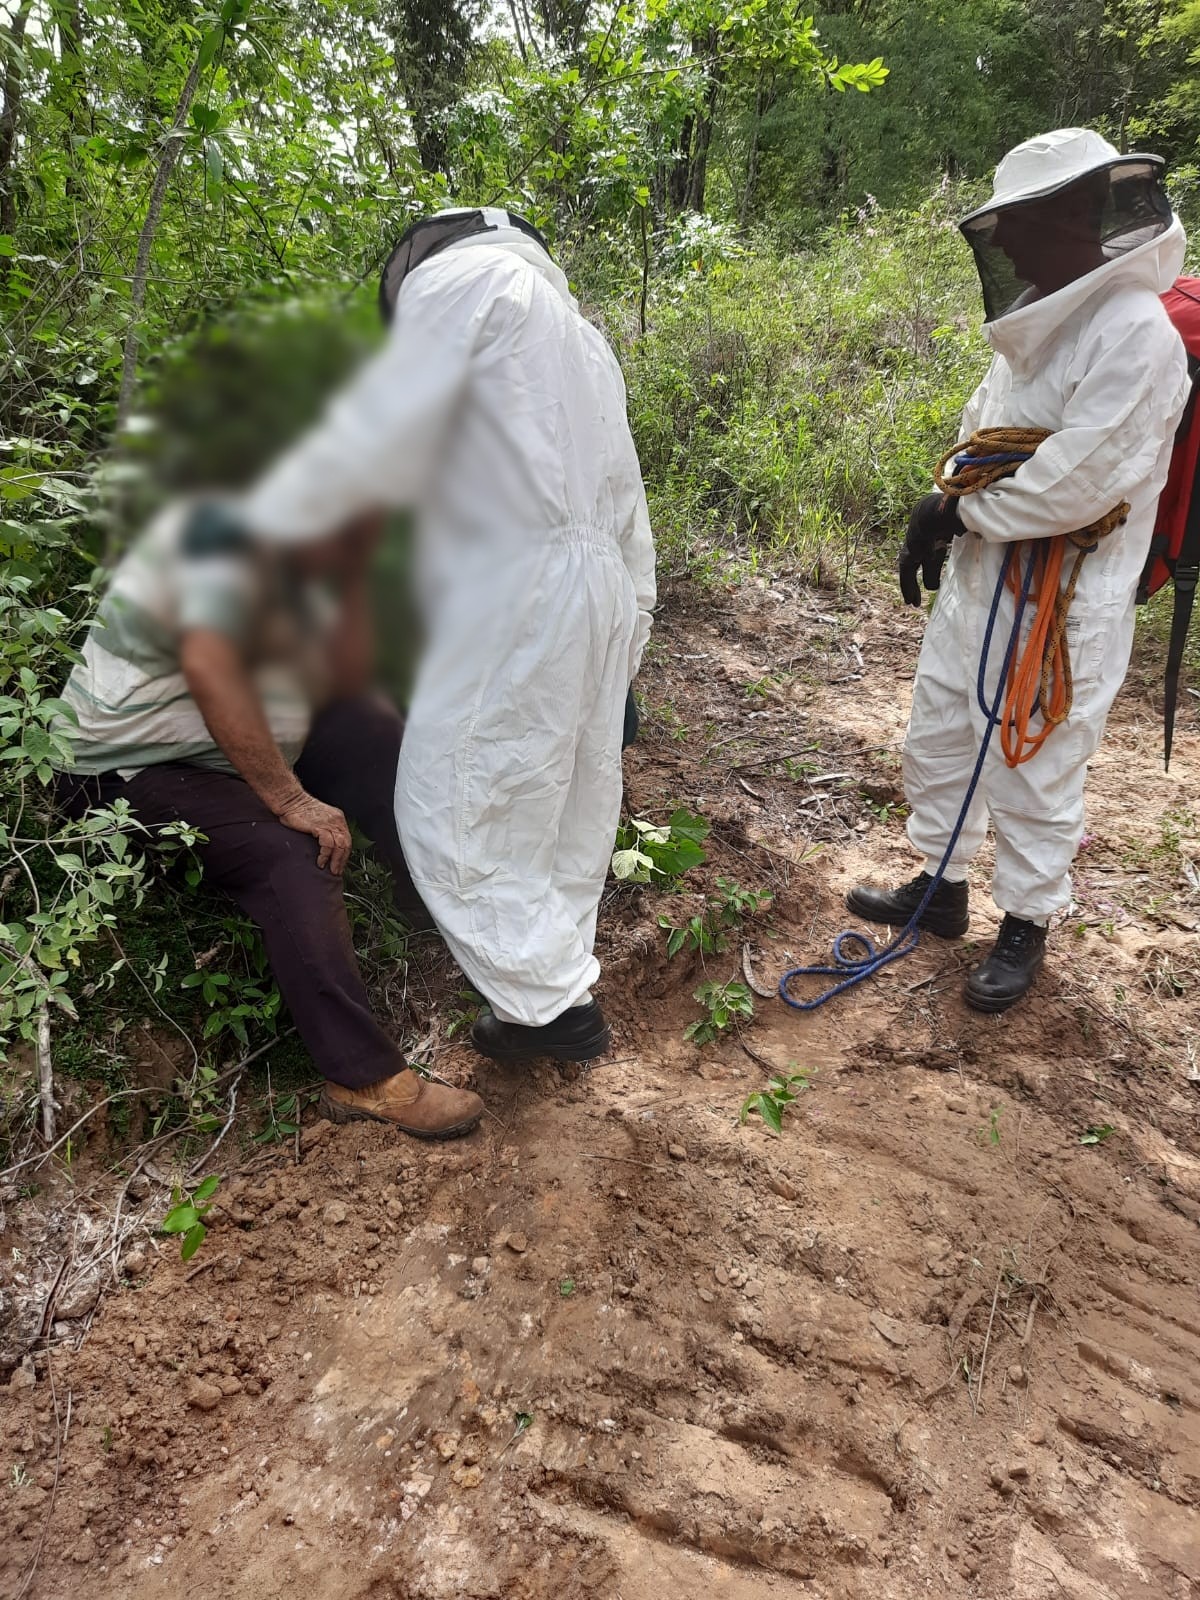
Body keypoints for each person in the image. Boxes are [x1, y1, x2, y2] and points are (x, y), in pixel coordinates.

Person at [223, 208, 656, 1061]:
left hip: (514, 580)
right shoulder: (582, 338)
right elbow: (626, 512)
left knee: (448, 799)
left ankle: (549, 1007)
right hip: (597, 584)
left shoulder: (461, 285)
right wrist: (625, 638)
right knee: (560, 795)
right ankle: (550, 988)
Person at [849, 129, 1190, 1013]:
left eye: (1017, 221)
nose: (999, 243)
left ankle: (1027, 924)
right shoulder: (1040, 322)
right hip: (983, 575)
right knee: (943, 728)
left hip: (1065, 594)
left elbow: (1076, 481)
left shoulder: (1134, 333)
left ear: (1076, 212)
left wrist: (956, 512)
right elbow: (983, 444)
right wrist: (943, 517)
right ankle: (942, 886)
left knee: (1036, 758)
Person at [55, 499, 486, 1141]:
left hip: (230, 744)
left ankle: (432, 903)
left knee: (376, 732)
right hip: (125, 770)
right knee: (288, 850)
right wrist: (289, 799)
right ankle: (362, 1076)